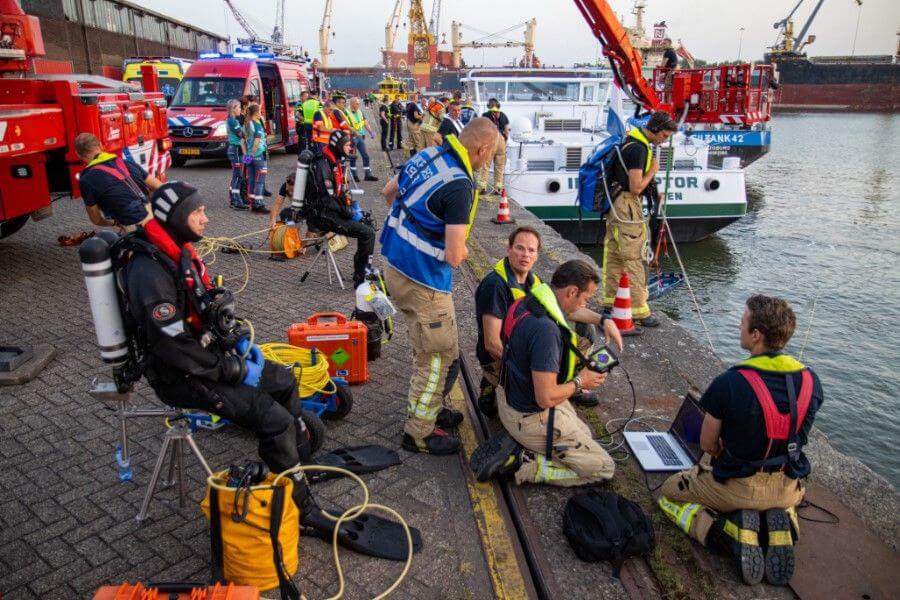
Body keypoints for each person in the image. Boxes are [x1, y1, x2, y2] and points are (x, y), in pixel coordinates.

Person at [124, 182, 415, 560]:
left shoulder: (176, 252)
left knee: (282, 379)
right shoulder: (149, 272)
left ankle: (295, 461)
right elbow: (172, 347)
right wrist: (229, 369)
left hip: (206, 359)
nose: (206, 217)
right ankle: (304, 509)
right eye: (198, 213)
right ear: (178, 218)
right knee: (274, 420)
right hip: (182, 377)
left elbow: (199, 308)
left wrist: (230, 333)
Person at [657, 295, 822, 586]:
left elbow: (708, 445)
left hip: (737, 488)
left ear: (756, 335)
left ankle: (727, 531)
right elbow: (798, 434)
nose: (739, 325)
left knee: (668, 493)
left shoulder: (730, 382)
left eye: (743, 321)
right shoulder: (812, 381)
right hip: (787, 486)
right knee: (785, 493)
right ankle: (785, 523)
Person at [380, 118, 499, 455]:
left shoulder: (429, 155)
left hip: (395, 264)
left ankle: (428, 410)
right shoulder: (461, 184)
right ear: (482, 149)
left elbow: (388, 193)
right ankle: (419, 431)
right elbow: (455, 255)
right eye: (490, 156)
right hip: (424, 280)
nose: (488, 162)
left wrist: (415, 232)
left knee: (426, 348)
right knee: (438, 356)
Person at [469, 260, 616, 487]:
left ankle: (521, 442)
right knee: (604, 467)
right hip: (529, 416)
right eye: (586, 298)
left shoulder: (531, 299)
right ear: (572, 291)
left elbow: (575, 312)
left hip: (508, 397)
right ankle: (525, 463)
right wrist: (581, 381)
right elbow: (545, 398)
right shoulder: (546, 333)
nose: (585, 304)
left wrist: (603, 320)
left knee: (586, 434)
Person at [474, 227, 623, 418]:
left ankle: (570, 385)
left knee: (586, 330)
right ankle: (494, 387)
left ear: (537, 255)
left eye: (531, 250)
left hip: (526, 344)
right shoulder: (495, 286)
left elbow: (568, 309)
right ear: (508, 249)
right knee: (548, 355)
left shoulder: (534, 282)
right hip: (503, 358)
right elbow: (492, 344)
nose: (525, 255)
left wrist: (604, 320)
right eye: (520, 248)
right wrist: (531, 371)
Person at [602, 110, 678, 327]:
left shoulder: (629, 141)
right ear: (654, 129)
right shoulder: (638, 149)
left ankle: (611, 301)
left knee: (615, 254)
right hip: (627, 206)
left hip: (616, 204)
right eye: (664, 136)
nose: (663, 142)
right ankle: (639, 311)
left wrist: (653, 194)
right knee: (635, 256)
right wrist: (653, 170)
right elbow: (635, 187)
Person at [305, 130, 376, 288]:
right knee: (367, 233)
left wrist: (349, 205)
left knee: (368, 224)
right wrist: (346, 211)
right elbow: (326, 199)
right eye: (347, 144)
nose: (349, 147)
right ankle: (361, 280)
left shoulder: (335, 160)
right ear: (337, 145)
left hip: (332, 210)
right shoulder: (323, 163)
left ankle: (362, 269)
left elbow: (338, 193)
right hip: (322, 214)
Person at [75, 132, 161, 229]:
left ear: (78, 154)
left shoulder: (86, 179)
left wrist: (114, 223)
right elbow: (159, 186)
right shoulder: (126, 163)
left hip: (133, 225)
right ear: (100, 145)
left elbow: (96, 219)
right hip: (154, 215)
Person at [479, 98, 510, 194]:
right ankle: (498, 188)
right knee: (499, 166)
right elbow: (507, 129)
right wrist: (504, 140)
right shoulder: (503, 115)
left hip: (490, 141)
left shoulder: (485, 115)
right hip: (501, 141)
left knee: (485, 165)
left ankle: (482, 187)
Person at [242, 103, 268, 213]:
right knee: (260, 181)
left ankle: (253, 204)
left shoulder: (245, 125)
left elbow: (242, 142)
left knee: (251, 180)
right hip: (257, 156)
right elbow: (257, 142)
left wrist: (246, 156)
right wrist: (253, 154)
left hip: (249, 157)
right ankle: (258, 204)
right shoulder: (256, 125)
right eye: (260, 111)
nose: (261, 113)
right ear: (256, 113)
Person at [345, 96, 379, 182]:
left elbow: (365, 122)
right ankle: (354, 175)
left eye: (359, 103)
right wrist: (354, 133)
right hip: (352, 137)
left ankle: (368, 175)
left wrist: (371, 132)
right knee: (353, 156)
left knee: (365, 156)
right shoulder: (346, 112)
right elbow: (346, 125)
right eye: (357, 103)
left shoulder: (360, 112)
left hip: (360, 136)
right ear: (352, 104)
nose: (359, 105)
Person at [225, 99, 248, 210]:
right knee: (237, 176)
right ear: (233, 109)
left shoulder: (235, 120)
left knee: (238, 175)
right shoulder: (233, 121)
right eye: (238, 107)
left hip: (238, 149)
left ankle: (236, 200)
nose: (240, 109)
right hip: (236, 149)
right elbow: (242, 135)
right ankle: (236, 200)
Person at [404, 91, 425, 156]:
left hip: (409, 124)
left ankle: (412, 156)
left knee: (411, 141)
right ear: (414, 98)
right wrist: (422, 117)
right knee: (418, 142)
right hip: (414, 126)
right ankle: (419, 156)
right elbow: (416, 116)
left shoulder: (409, 105)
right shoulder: (414, 105)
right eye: (416, 97)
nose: (417, 98)